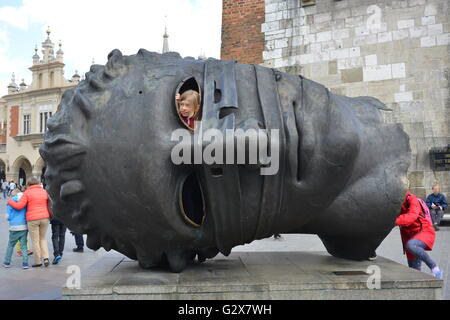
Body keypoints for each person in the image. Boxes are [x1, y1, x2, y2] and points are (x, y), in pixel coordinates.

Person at [395, 191, 443, 278]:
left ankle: (434, 267)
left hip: (424, 232)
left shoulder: (413, 200)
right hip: (410, 237)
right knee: (414, 272)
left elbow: (411, 216)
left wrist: (393, 221)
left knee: (411, 245)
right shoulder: (396, 203)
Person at [8, 177, 51, 268]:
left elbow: (19, 206)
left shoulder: (27, 193)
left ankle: (38, 261)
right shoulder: (44, 191)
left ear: (28, 184)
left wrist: (10, 202)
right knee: (43, 238)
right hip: (45, 217)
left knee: (35, 240)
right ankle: (46, 257)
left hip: (33, 219)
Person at [3, 189, 29, 269]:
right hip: (24, 226)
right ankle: (25, 263)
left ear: (13, 195)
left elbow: (7, 217)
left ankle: (7, 262)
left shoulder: (10, 203)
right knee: (24, 246)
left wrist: (11, 219)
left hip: (14, 227)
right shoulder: (25, 202)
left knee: (10, 245)